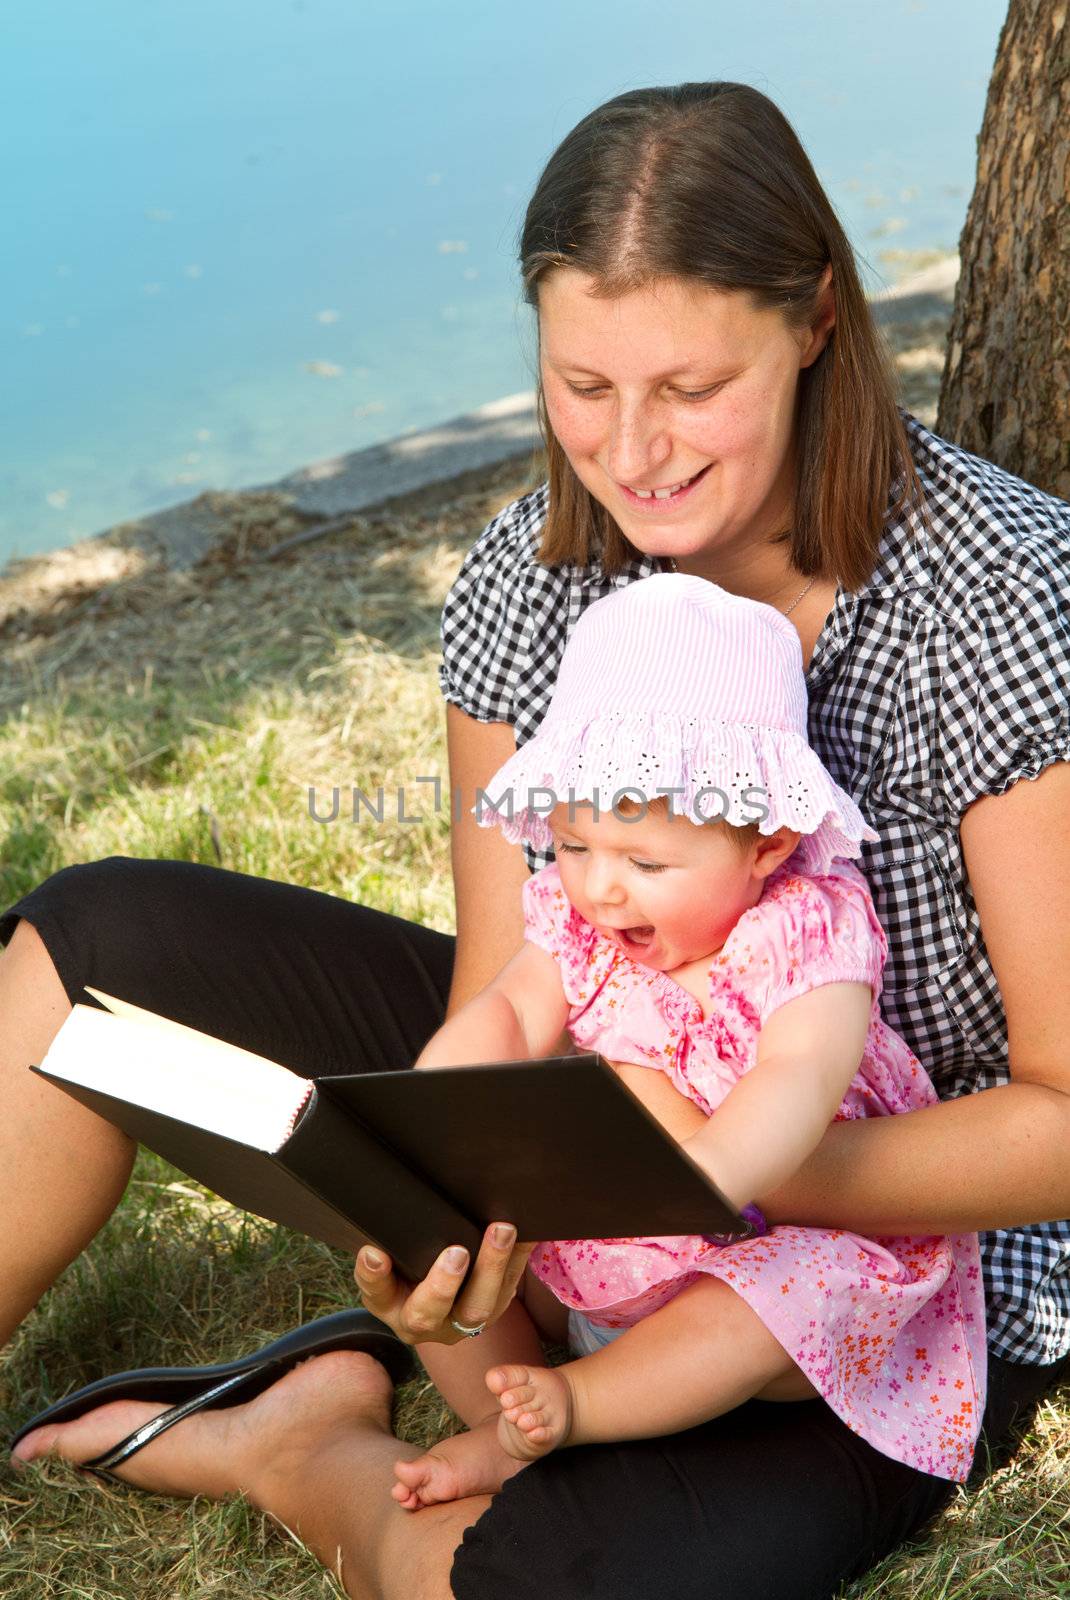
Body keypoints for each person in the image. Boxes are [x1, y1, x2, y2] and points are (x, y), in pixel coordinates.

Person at [2, 79, 1068, 1600]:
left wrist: (711, 1167)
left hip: (872, 1264)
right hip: (595, 1129)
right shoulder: (526, 574)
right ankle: (412, 1354)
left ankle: (302, 1443)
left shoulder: (1000, 595)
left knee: (514, 1586)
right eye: (582, 386)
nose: (632, 456)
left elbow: (1060, 1119)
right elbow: (504, 994)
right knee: (87, 954)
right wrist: (445, 1197)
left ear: (817, 318)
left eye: (690, 387)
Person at [391, 573, 987, 1514]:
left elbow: (798, 1072)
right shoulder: (579, 921)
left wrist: (697, 1175)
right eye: (577, 845)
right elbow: (509, 1011)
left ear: (768, 844)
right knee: (445, 1242)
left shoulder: (805, 930)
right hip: (604, 1257)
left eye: (644, 861)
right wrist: (437, 1113)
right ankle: (496, 1421)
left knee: (765, 1299)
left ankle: (570, 1410)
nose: (600, 889)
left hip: (777, 1250)